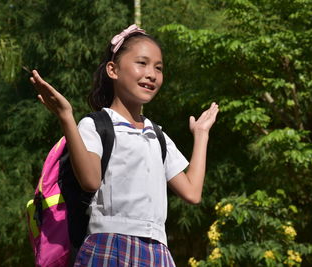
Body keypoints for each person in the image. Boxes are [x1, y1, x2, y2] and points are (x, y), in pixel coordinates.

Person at [30, 24, 219, 267]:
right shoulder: (96, 125)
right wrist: (66, 116)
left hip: (157, 250)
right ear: (113, 69)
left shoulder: (157, 135)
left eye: (158, 68)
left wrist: (201, 135)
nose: (152, 74)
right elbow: (89, 180)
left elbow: (192, 193)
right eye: (142, 63)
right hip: (108, 245)